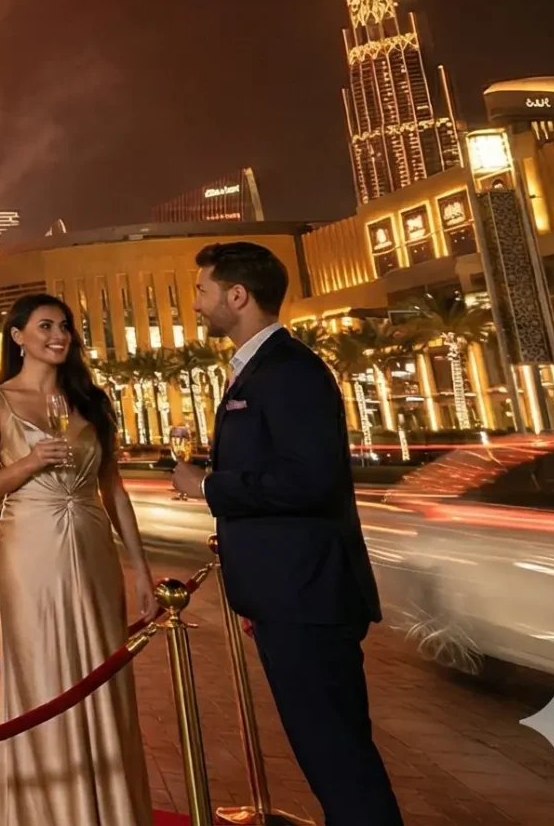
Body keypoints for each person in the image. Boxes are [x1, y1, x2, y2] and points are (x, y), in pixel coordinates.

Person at [174, 242, 402, 825]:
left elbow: (311, 479)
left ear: (237, 295)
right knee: (327, 752)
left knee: (338, 756)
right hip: (288, 595)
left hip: (308, 596)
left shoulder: (289, 369)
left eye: (202, 290)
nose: (196, 304)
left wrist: (208, 487)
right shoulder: (258, 368)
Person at [0, 295, 152, 826]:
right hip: (31, 552)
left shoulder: (90, 401)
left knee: (101, 667)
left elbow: (113, 489)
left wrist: (139, 568)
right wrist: (29, 461)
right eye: (45, 325)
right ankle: (49, 810)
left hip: (93, 549)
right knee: (43, 671)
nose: (59, 334)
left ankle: (109, 808)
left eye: (65, 326)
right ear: (17, 335)